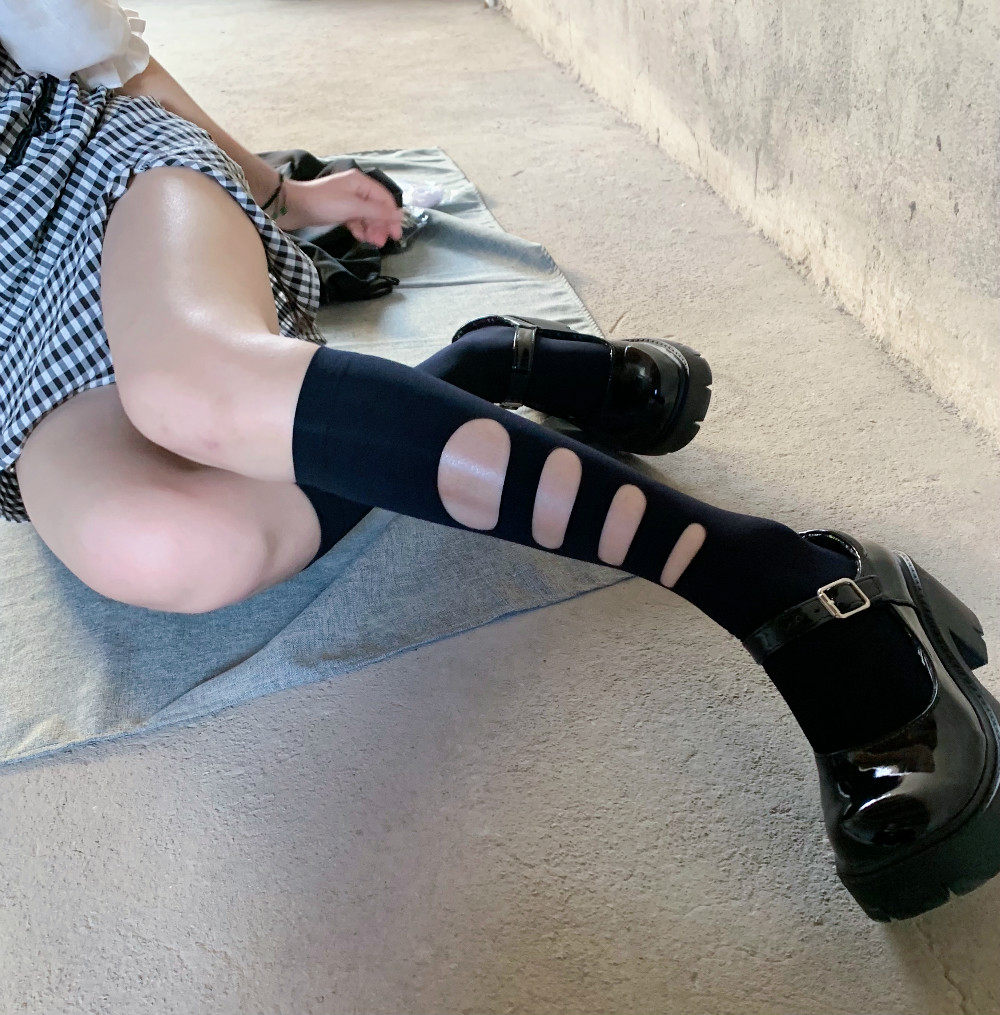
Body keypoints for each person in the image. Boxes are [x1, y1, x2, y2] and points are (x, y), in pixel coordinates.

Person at [0, 1, 997, 923]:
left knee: (194, 393)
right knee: (169, 547)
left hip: (77, 178)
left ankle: (790, 585)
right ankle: (483, 364)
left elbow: (83, 44)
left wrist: (287, 195)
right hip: (12, 336)